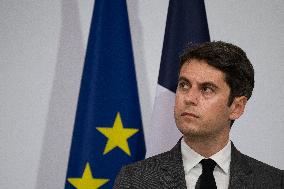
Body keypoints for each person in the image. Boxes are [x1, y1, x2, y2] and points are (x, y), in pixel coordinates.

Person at [113, 41, 284, 189]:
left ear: (236, 107)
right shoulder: (134, 180)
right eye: (184, 85)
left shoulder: (274, 182)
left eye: (206, 89)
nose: (189, 98)